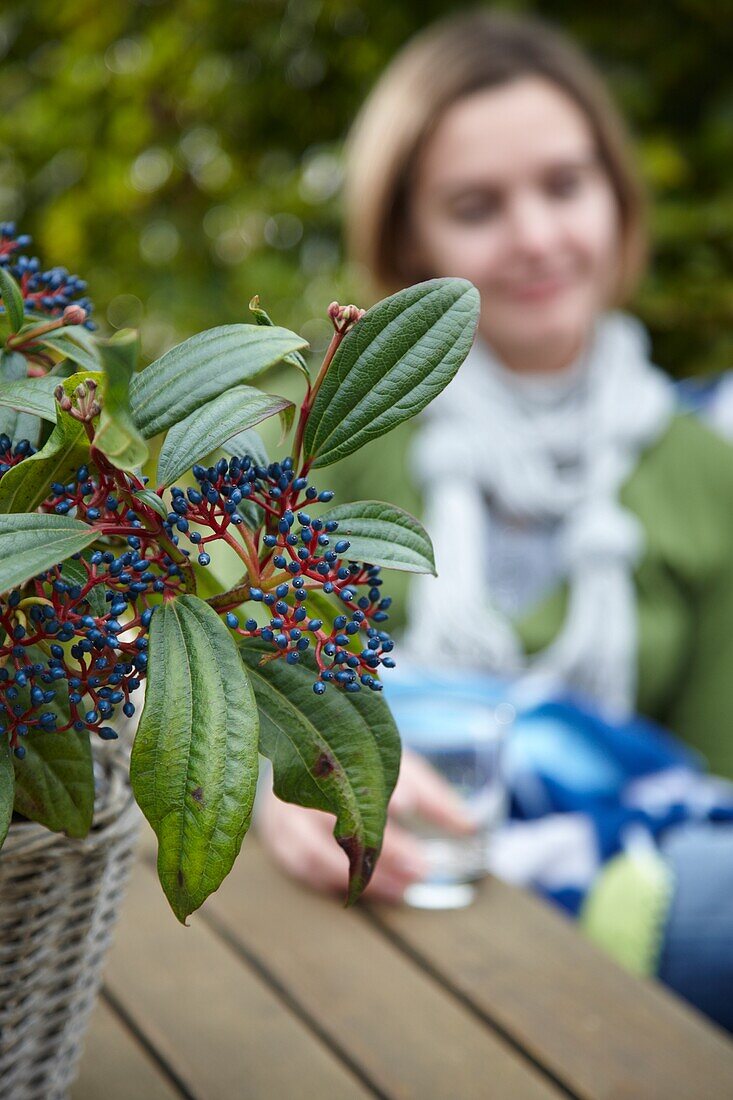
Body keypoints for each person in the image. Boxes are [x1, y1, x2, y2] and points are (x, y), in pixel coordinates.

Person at [257, 10, 733, 910]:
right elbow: (238, 693)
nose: (534, 237)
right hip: (364, 906)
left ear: (617, 200)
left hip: (616, 922)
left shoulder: (710, 476)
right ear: (408, 242)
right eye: (476, 207)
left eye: (564, 186)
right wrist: (280, 798)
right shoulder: (335, 439)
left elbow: (717, 799)